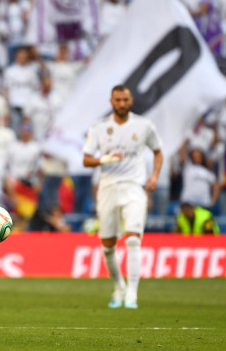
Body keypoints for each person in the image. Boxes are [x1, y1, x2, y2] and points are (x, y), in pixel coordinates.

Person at [82, 85, 163, 309]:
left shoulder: (144, 125)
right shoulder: (99, 127)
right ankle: (119, 286)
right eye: (118, 100)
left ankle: (132, 295)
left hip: (134, 187)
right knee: (108, 245)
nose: (121, 104)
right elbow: (86, 160)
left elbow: (158, 151)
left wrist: (155, 175)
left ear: (131, 100)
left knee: (133, 239)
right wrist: (105, 160)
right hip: (107, 188)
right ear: (111, 101)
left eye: (125, 100)